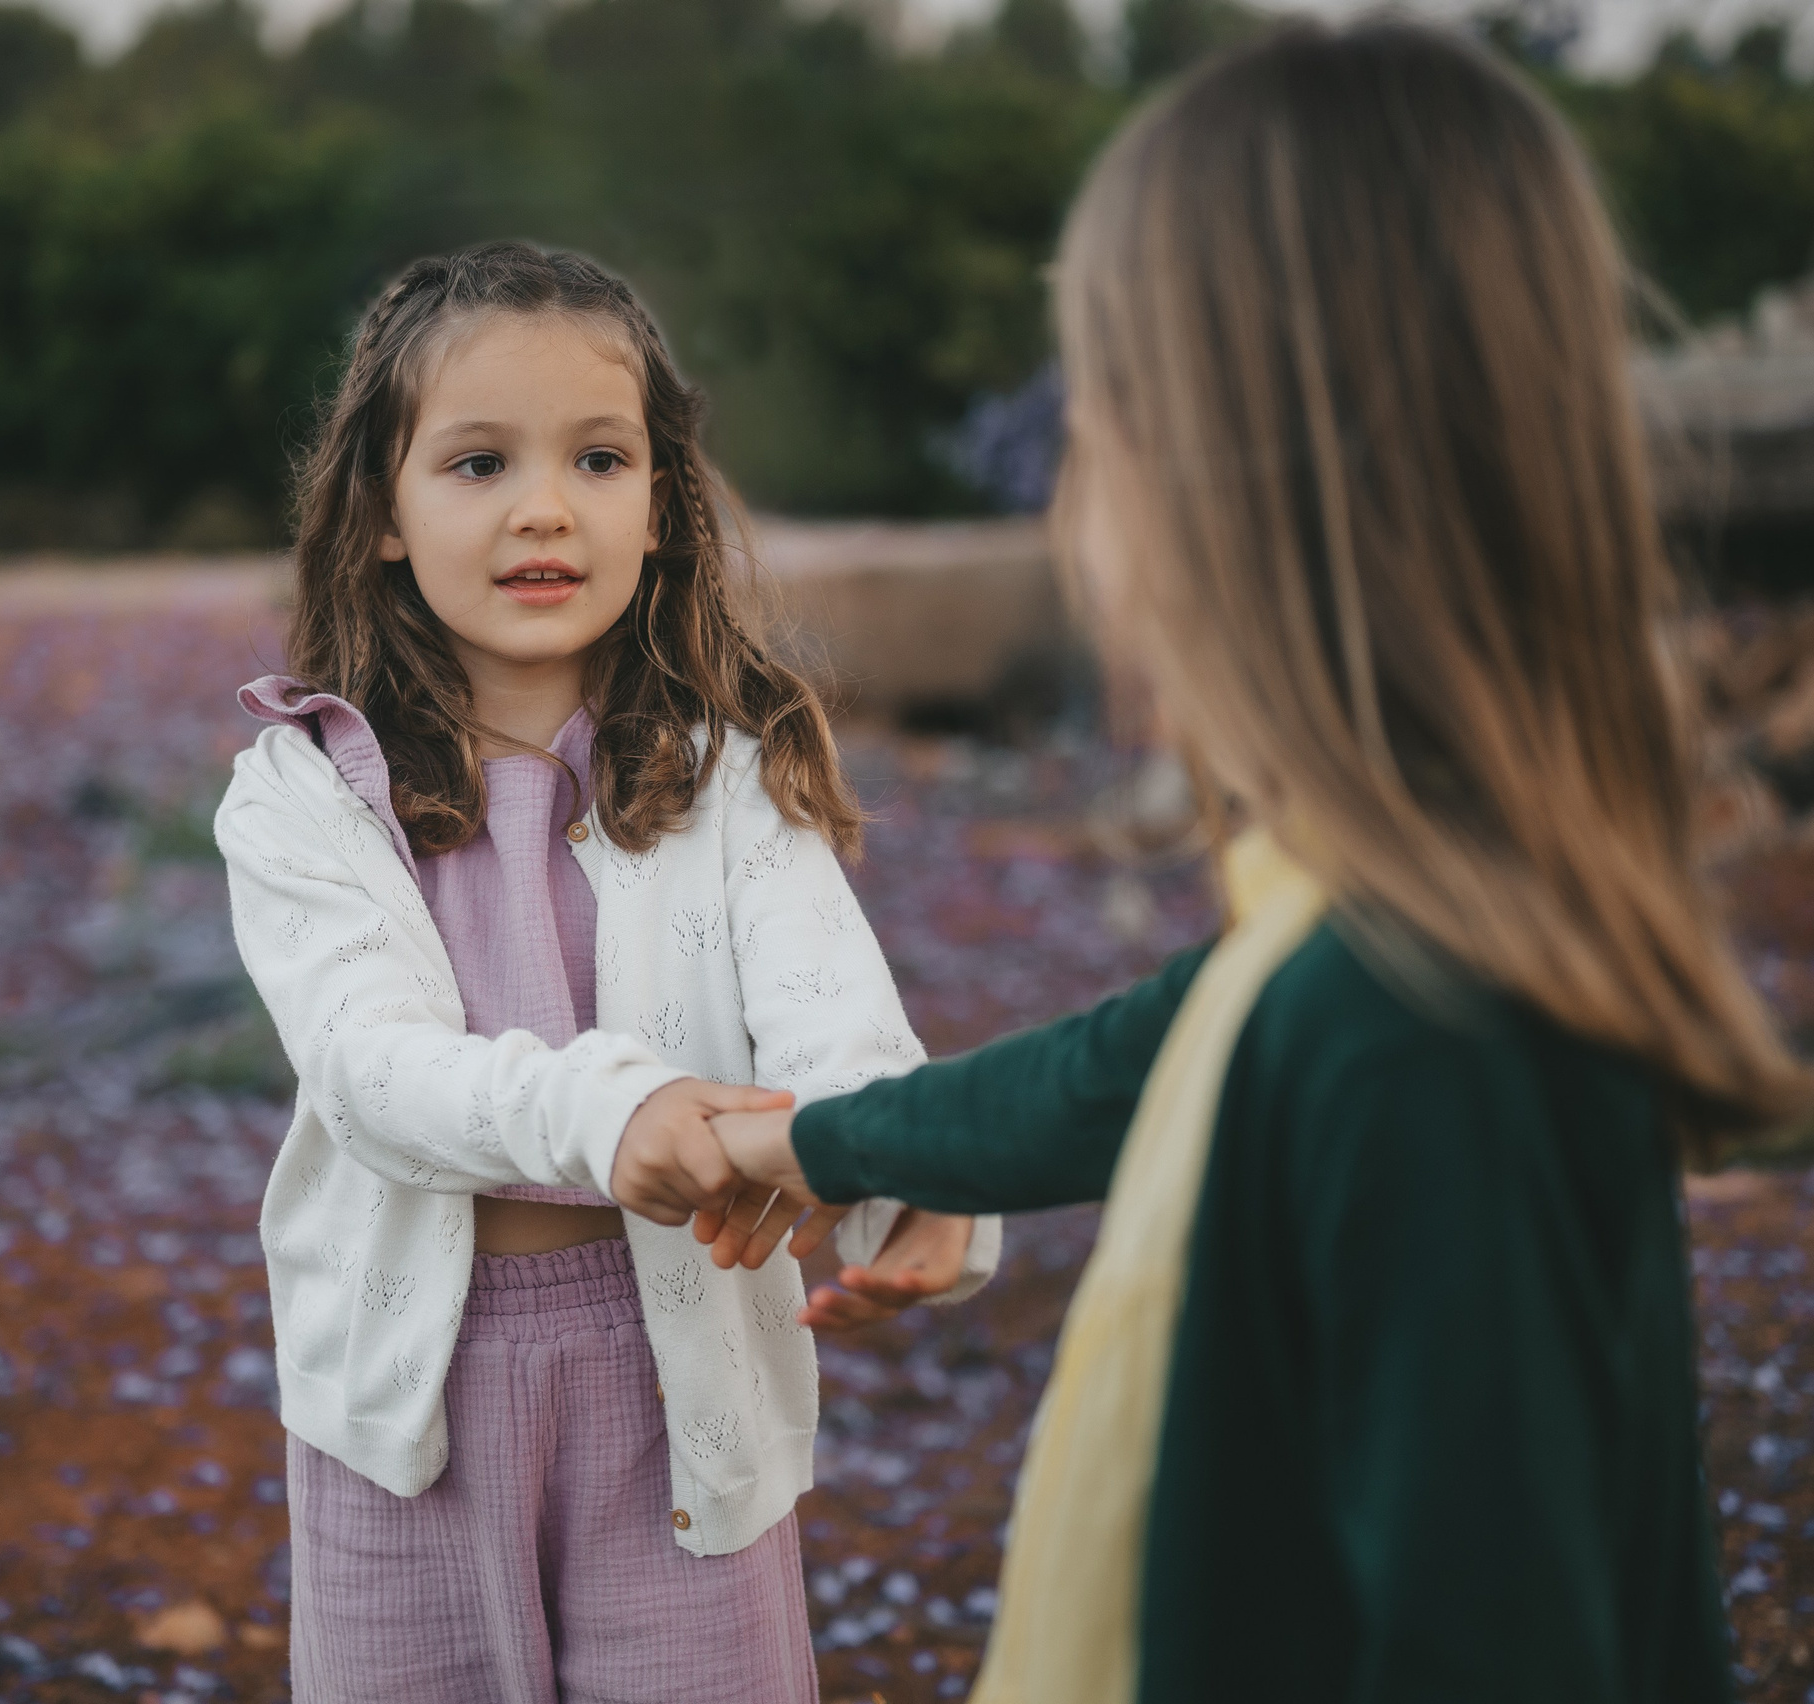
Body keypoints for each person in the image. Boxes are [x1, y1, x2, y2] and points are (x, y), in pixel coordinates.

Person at [703, 21, 1812, 1704]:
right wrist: (826, 1139)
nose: (1073, 496)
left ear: (1222, 480)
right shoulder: (1395, 926)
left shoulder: (1417, 1033)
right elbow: (1124, 1068)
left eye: (1096, 422)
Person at [212, 240, 1000, 1704]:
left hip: (675, 1385)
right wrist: (620, 1112)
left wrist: (904, 1174)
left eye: (597, 458)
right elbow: (372, 1070)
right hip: (403, 1424)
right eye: (475, 465)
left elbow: (838, 1019)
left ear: (660, 507)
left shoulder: (729, 782)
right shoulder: (303, 795)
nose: (543, 509)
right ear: (378, 512)